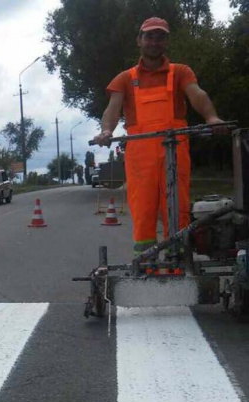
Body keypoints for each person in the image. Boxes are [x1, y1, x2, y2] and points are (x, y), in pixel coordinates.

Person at [92, 16, 225, 256]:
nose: (154, 41)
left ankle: (179, 261)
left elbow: (197, 94)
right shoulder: (125, 78)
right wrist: (106, 131)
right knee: (143, 212)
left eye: (160, 36)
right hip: (140, 159)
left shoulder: (180, 72)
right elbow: (112, 109)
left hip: (174, 152)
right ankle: (145, 261)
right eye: (149, 36)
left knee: (177, 208)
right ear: (139, 40)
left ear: (167, 42)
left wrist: (211, 118)